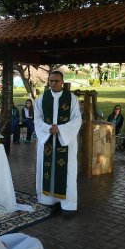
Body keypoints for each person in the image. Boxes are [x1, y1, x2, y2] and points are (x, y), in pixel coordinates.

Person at [34, 71, 82, 217]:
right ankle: (48, 201)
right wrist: (49, 128)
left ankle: (68, 205)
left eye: (56, 81)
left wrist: (60, 129)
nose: (53, 83)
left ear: (62, 82)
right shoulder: (42, 98)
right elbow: (37, 118)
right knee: (47, 170)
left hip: (65, 142)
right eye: (51, 81)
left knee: (66, 172)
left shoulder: (72, 99)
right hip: (47, 140)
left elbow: (77, 120)